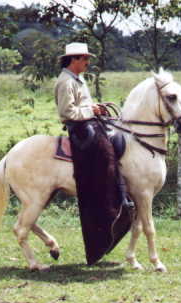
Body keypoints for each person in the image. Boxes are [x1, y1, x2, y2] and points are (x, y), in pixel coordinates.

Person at [54, 42, 134, 265]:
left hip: (89, 123)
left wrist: (95, 107)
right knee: (105, 155)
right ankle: (114, 203)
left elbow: (83, 105)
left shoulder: (77, 80)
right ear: (74, 60)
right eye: (85, 59)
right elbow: (66, 112)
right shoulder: (65, 82)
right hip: (80, 130)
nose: (88, 63)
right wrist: (92, 110)